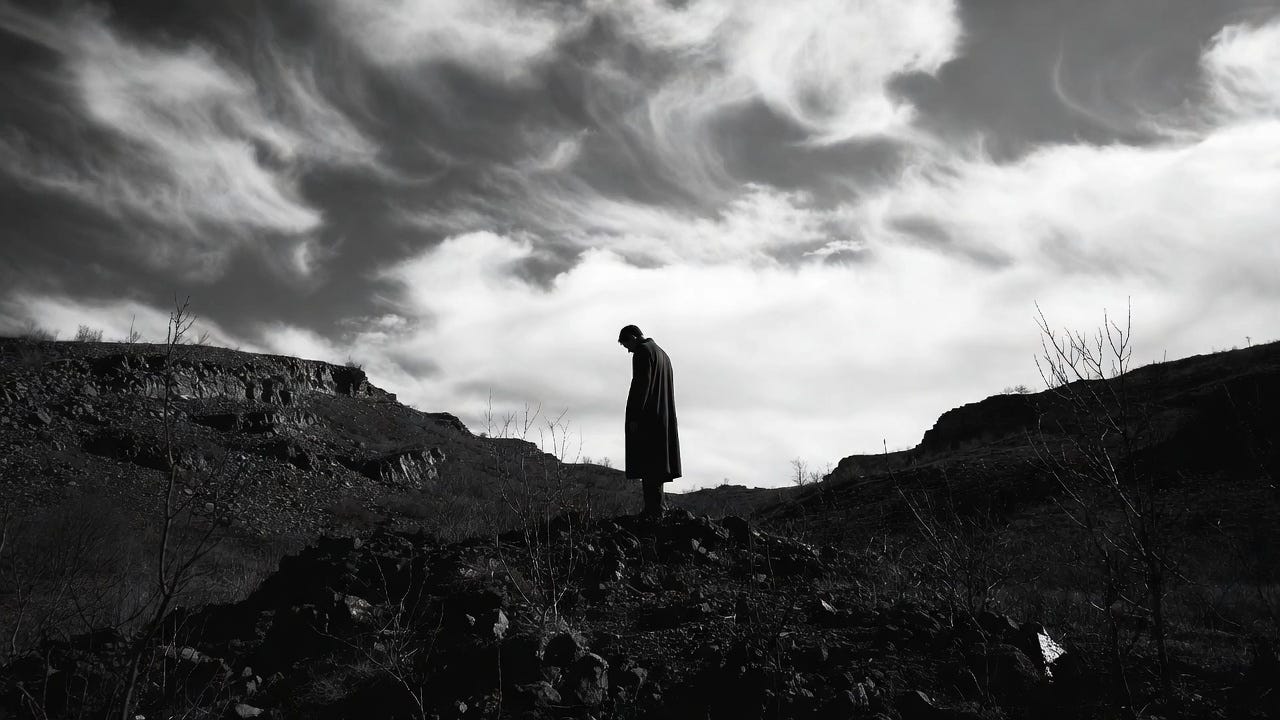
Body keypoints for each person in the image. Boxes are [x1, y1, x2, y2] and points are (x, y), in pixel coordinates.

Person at [618, 324, 681, 516]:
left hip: (648, 418)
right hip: (663, 418)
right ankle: (656, 507)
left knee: (647, 463)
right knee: (657, 464)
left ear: (633, 337)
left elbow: (640, 386)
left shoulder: (643, 352)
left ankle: (653, 510)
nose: (628, 350)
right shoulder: (663, 355)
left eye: (626, 344)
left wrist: (634, 417)